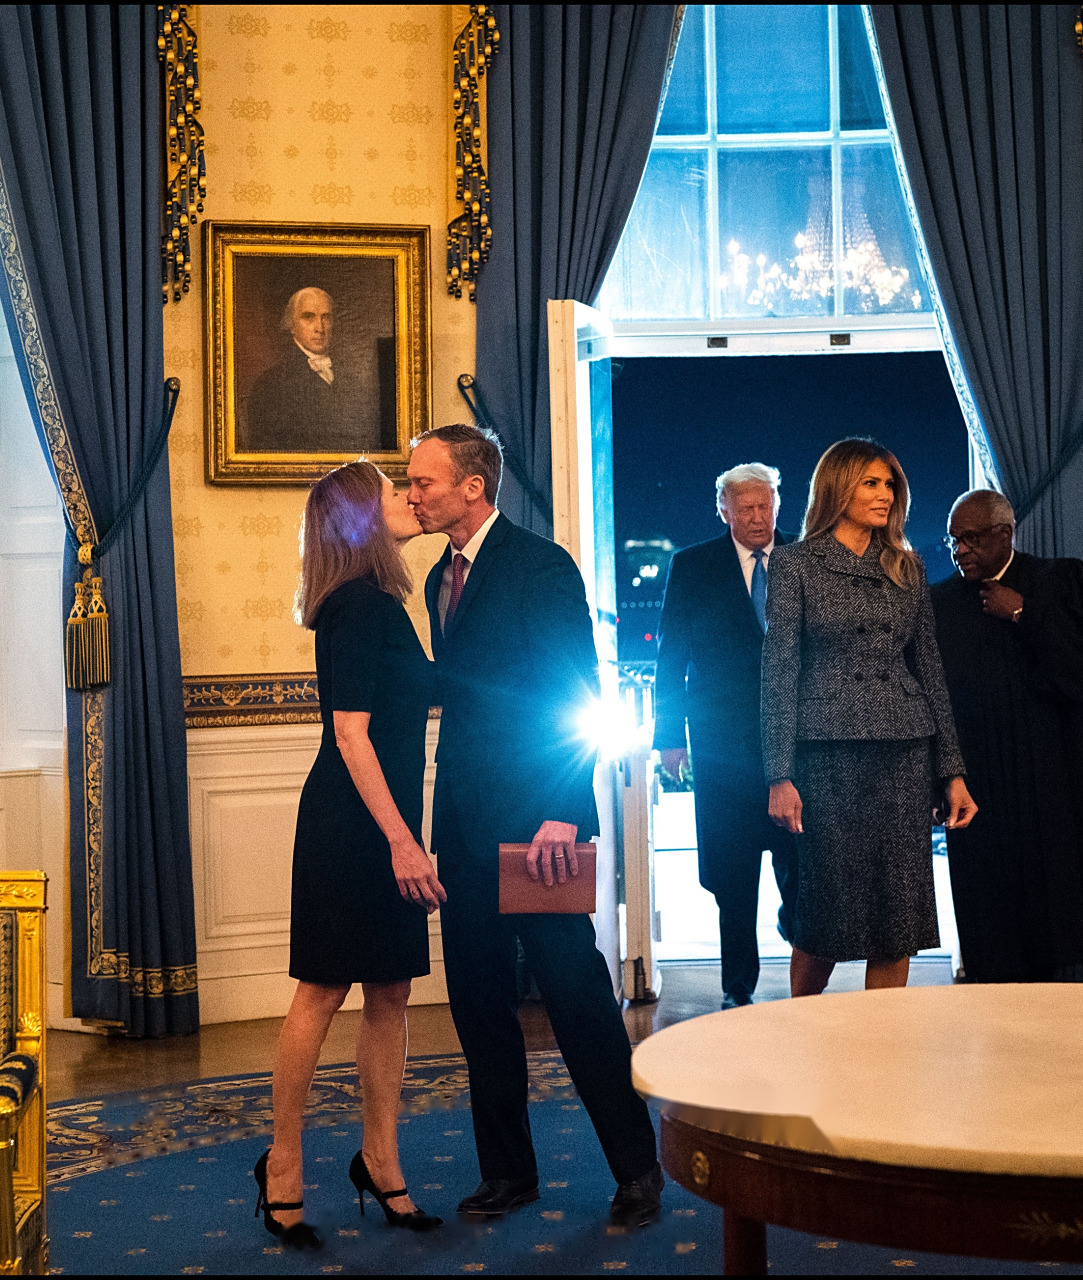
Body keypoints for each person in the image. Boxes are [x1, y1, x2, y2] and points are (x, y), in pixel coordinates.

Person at [405, 422, 664, 1229]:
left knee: (578, 1000)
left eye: (423, 482)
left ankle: (637, 1173)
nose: (412, 495)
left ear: (473, 487)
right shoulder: (432, 580)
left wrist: (564, 811)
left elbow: (573, 691)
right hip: (464, 819)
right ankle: (508, 1174)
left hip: (540, 825)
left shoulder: (542, 565)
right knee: (479, 1002)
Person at [256, 460, 445, 1249]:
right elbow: (350, 734)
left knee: (392, 992)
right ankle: (284, 1165)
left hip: (379, 814)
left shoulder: (375, 601)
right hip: (353, 824)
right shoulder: (359, 607)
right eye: (393, 490)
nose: (410, 495)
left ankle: (380, 1159)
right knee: (322, 993)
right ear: (362, 521)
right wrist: (403, 840)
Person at [762, 438, 977, 997]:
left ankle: (884, 1048)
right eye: (871, 483)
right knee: (825, 918)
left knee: (897, 920)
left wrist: (951, 772)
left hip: (904, 754)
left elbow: (929, 670)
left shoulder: (908, 566)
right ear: (839, 486)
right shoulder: (795, 564)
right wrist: (778, 776)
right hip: (827, 760)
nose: (885, 494)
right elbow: (779, 672)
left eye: (890, 484)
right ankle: (804, 1032)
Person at [928, 489, 1083, 983]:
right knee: (987, 905)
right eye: (953, 540)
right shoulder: (939, 603)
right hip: (976, 781)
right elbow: (931, 698)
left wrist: (1024, 614)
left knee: (1053, 898)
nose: (960, 550)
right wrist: (939, 777)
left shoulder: (1061, 583)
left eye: (971, 538)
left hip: (1050, 773)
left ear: (1005, 533)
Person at [654, 463, 799, 1008]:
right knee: (733, 878)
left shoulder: (803, 559)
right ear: (725, 512)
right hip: (720, 745)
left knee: (799, 866)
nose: (758, 518)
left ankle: (803, 961)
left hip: (794, 742)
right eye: (746, 509)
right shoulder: (692, 566)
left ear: (777, 507)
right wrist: (668, 736)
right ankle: (737, 990)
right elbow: (671, 657)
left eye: (765, 507)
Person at [241, 286, 384, 453]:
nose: (320, 328)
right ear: (291, 325)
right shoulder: (271, 384)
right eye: (308, 317)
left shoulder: (354, 379)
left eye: (326, 317)